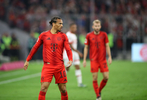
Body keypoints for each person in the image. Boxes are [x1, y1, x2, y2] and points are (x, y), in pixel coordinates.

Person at [24, 16, 73, 100]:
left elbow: (68, 49)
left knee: (63, 89)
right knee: (43, 88)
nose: (62, 25)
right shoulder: (43, 35)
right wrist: (28, 59)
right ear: (54, 24)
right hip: (47, 66)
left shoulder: (63, 36)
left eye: (62, 24)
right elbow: (35, 47)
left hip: (59, 66)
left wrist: (70, 59)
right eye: (60, 23)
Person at [83, 19, 112, 100]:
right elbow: (86, 47)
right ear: (93, 26)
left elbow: (107, 46)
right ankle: (98, 96)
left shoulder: (104, 34)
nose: (97, 27)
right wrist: (84, 59)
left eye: (98, 26)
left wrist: (109, 56)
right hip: (94, 60)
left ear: (100, 26)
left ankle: (98, 91)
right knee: (94, 77)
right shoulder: (89, 35)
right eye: (95, 26)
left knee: (106, 77)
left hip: (102, 60)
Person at [63, 23, 86, 87]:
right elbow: (70, 45)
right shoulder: (68, 34)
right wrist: (78, 52)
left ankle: (80, 83)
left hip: (74, 54)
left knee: (77, 67)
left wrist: (76, 53)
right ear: (70, 28)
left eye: (75, 27)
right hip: (69, 53)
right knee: (67, 68)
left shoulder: (74, 34)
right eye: (73, 27)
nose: (75, 29)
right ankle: (61, 81)